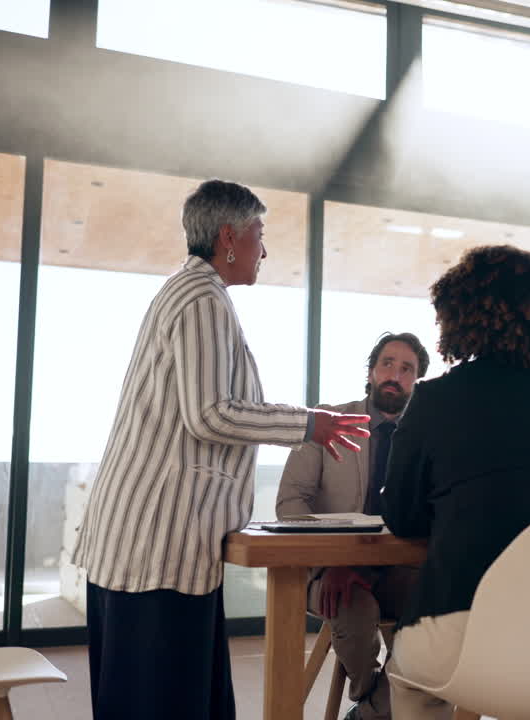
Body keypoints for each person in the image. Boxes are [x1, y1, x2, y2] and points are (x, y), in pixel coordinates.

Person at [73, 179, 370, 720]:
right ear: (228, 237)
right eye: (260, 234)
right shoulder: (202, 300)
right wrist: (308, 424)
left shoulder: (190, 292)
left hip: (152, 539)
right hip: (158, 542)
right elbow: (210, 413)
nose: (264, 250)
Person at [381, 245, 530, 720]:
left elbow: (402, 516)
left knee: (414, 684)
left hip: (457, 622)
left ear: (459, 315)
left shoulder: (434, 398)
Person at [276, 331, 431, 720]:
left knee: (438, 619)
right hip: (329, 572)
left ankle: (369, 713)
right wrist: (334, 560)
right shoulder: (328, 421)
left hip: (399, 571)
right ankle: (375, 700)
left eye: (407, 369)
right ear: (371, 371)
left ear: (417, 381)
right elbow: (290, 503)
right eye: (387, 364)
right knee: (353, 610)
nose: (395, 375)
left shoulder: (426, 439)